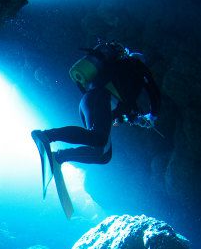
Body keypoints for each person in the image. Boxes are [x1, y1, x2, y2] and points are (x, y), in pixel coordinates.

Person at [32, 40, 161, 171]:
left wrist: (136, 119)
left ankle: (60, 156)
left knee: (103, 155)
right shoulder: (136, 66)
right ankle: (46, 136)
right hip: (99, 98)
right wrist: (153, 115)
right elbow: (154, 91)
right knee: (98, 138)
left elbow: (122, 109)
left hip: (91, 102)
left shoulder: (124, 79)